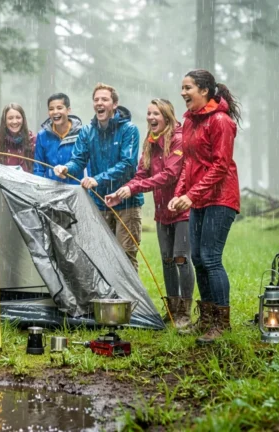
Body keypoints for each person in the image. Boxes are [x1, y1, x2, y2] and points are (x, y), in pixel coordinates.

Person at [105, 99, 194, 329]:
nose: (151, 118)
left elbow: (169, 174)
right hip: (162, 210)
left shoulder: (178, 138)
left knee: (181, 259)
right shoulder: (150, 142)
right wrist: (121, 192)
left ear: (167, 116)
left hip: (182, 208)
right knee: (167, 260)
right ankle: (173, 311)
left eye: (156, 114)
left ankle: (185, 312)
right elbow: (141, 174)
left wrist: (134, 188)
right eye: (148, 113)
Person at [168, 69, 241, 345]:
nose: (183, 93)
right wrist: (180, 194)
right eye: (182, 88)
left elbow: (221, 166)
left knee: (210, 258)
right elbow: (188, 164)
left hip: (221, 198)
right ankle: (207, 319)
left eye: (188, 88)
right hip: (199, 199)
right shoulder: (188, 122)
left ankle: (222, 325)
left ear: (205, 91)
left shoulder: (220, 121)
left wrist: (192, 194)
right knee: (197, 258)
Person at [53, 83, 143, 271]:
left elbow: (128, 165)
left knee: (125, 256)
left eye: (104, 99)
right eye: (96, 100)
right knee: (103, 256)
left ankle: (132, 301)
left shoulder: (129, 130)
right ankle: (109, 300)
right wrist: (65, 168)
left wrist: (98, 179)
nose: (99, 103)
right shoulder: (87, 131)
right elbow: (78, 160)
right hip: (99, 203)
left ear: (115, 104)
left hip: (127, 203)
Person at [33, 93, 83, 184]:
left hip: (76, 189)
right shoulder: (42, 136)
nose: (55, 112)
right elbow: (38, 169)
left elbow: (88, 166)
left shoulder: (81, 134)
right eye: (51, 109)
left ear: (68, 110)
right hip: (51, 190)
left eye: (59, 108)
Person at [0, 103, 36, 172]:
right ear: (4, 121)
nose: (14, 121)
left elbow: (38, 169)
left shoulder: (32, 140)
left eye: (18, 118)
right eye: (10, 118)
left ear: (23, 119)